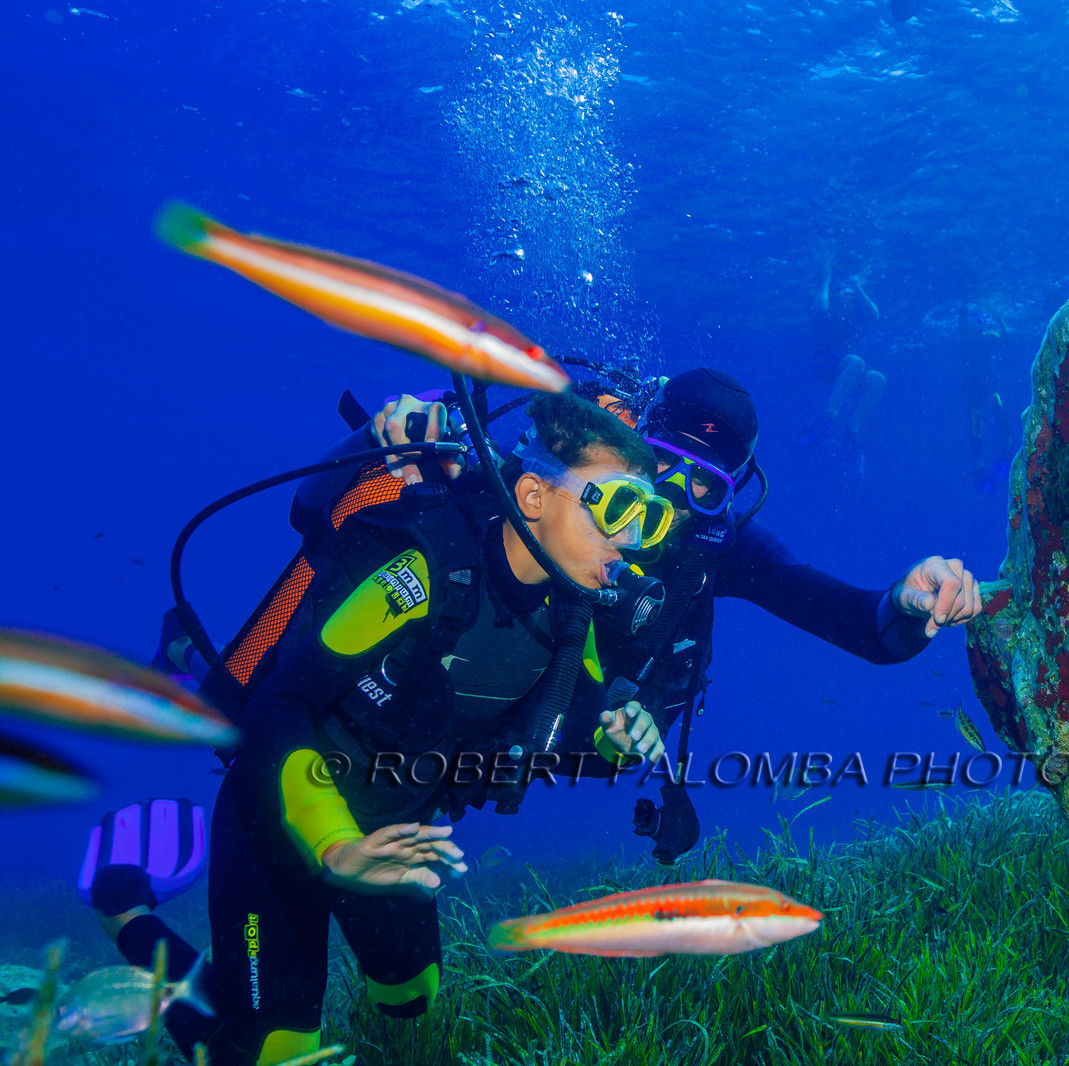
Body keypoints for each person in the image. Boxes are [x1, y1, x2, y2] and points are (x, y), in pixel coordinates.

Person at [89, 391, 672, 1066]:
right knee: (276, 1053)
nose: (632, 539)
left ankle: (245, 980)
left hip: (393, 825)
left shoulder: (574, 616)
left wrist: (613, 738)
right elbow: (280, 709)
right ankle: (126, 911)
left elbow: (568, 733)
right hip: (281, 814)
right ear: (535, 496)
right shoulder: (421, 569)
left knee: (412, 999)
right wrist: (335, 845)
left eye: (649, 519)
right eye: (617, 509)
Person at [375, 368, 984, 864]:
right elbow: (478, 465)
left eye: (707, 488)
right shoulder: (562, 493)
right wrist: (424, 429)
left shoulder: (716, 549)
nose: (670, 500)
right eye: (661, 465)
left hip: (559, 751)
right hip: (431, 736)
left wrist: (907, 601)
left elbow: (860, 626)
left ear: (727, 497)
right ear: (635, 443)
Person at [797, 259, 885, 464]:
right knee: (856, 362)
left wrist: (859, 288)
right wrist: (826, 280)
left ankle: (852, 431)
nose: (847, 297)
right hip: (824, 363)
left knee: (877, 379)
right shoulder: (823, 302)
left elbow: (874, 316)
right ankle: (829, 417)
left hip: (846, 369)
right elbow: (819, 308)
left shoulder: (851, 309)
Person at [958, 301, 1014, 493]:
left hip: (986, 384)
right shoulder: (965, 338)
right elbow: (962, 317)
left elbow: (1007, 340)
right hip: (971, 387)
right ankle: (979, 464)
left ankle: (1007, 444)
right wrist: (966, 303)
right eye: (975, 319)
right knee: (977, 421)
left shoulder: (988, 337)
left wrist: (1000, 319)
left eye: (980, 318)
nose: (979, 321)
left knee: (998, 408)